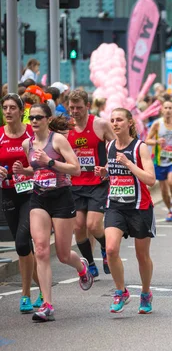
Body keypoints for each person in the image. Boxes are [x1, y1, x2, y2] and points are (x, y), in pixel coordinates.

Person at [16, 103, 93, 322]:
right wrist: (25, 171)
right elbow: (36, 170)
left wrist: (50, 161)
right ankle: (47, 305)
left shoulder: (57, 140)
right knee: (40, 249)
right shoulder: (27, 144)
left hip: (61, 197)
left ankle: (81, 267)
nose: (34, 121)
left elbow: (75, 168)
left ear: (48, 119)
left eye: (39, 117)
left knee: (62, 254)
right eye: (31, 118)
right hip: (39, 197)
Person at [99, 108, 156, 314]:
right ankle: (121, 291)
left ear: (129, 123)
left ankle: (146, 292)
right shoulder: (110, 146)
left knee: (142, 256)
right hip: (115, 205)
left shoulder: (140, 147)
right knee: (111, 249)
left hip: (139, 207)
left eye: (119, 120)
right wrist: (105, 171)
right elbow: (113, 169)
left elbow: (150, 179)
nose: (115, 124)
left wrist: (129, 163)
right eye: (112, 120)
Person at [0, 94, 42, 313]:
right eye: (5, 108)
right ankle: (43, 287)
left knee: (23, 242)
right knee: (22, 246)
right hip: (8, 194)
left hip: (30, 193)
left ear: (20, 110)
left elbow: (43, 165)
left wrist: (25, 171)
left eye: (12, 108)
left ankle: (25, 294)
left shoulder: (30, 133)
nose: (8, 112)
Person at [66, 90, 115, 277]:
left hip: (97, 183)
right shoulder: (66, 127)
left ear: (87, 106)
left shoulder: (100, 124)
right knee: (78, 227)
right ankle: (90, 263)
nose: (75, 111)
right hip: (75, 184)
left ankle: (105, 248)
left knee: (93, 225)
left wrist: (109, 167)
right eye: (71, 108)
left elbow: (116, 147)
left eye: (79, 107)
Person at [146, 99, 172, 222]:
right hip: (160, 161)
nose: (167, 110)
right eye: (165, 108)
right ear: (161, 110)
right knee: (164, 191)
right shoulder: (157, 124)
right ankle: (170, 210)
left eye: (170, 108)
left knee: (171, 181)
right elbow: (147, 140)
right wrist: (156, 142)